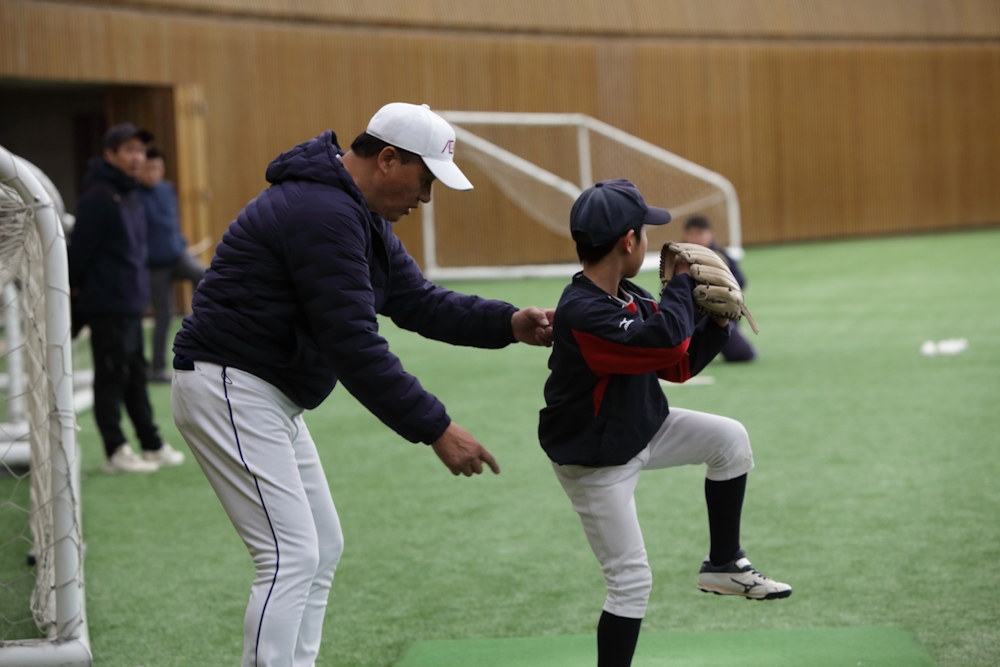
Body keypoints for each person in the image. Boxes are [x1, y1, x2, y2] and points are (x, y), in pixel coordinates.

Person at [170, 103, 555, 667]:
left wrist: (508, 323)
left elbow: (419, 301)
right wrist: (437, 429)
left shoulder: (353, 210)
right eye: (424, 182)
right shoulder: (322, 212)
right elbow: (353, 346)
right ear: (389, 160)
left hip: (259, 390)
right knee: (290, 556)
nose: (425, 199)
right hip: (230, 384)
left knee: (320, 548)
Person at [538, 180, 790, 667]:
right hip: (595, 462)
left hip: (641, 426)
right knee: (630, 582)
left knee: (729, 440)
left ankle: (723, 563)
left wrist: (718, 324)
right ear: (629, 242)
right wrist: (679, 284)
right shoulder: (582, 311)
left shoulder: (624, 295)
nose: (652, 242)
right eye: (645, 232)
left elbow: (677, 366)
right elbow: (664, 344)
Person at [68, 123, 186, 474]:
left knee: (134, 376)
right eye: (129, 150)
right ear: (110, 154)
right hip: (106, 305)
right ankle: (115, 451)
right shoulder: (99, 196)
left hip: (131, 303)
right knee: (110, 378)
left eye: (141, 150)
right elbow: (80, 254)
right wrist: (75, 296)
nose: (138, 157)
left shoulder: (131, 193)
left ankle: (150, 444)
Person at [138, 147, 206, 383]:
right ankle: (157, 369)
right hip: (154, 264)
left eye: (157, 168)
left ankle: (202, 325)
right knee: (163, 316)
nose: (152, 173)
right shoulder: (134, 195)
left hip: (177, 254)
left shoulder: (167, 189)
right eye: (148, 168)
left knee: (204, 275)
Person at [682, 215, 757, 362]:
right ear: (685, 235)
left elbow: (740, 281)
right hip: (688, 318)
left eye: (700, 233)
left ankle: (735, 335)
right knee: (677, 358)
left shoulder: (721, 256)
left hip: (718, 316)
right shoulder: (679, 259)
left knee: (741, 354)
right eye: (692, 234)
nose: (696, 238)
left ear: (710, 234)